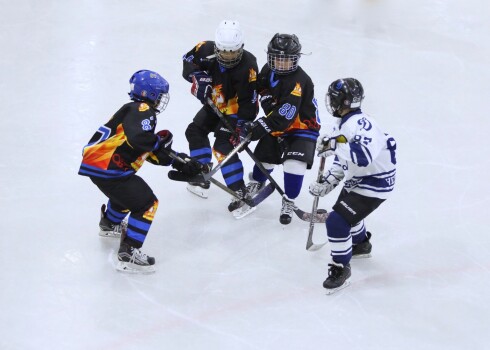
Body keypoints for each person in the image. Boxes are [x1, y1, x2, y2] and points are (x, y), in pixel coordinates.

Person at [78, 70, 203, 274]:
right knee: (146, 204)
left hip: (100, 167)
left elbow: (143, 148)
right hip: (110, 168)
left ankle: (109, 224)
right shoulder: (143, 110)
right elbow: (140, 140)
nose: (162, 99)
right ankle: (129, 254)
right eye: (160, 94)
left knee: (125, 196)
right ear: (151, 94)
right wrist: (158, 142)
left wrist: (178, 160)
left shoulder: (132, 110)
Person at [309, 78, 397, 293]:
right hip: (360, 179)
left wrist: (334, 146)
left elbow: (363, 156)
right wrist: (331, 179)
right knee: (348, 215)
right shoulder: (342, 124)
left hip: (375, 182)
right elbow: (345, 159)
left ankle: (341, 268)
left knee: (337, 221)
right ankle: (360, 245)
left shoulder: (361, 124)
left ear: (340, 101)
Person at [240, 33, 320, 223]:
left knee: (294, 164)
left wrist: (259, 126)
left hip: (302, 128)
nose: (281, 63)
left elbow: (284, 116)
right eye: (277, 59)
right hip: (279, 122)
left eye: (286, 60)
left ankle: (290, 199)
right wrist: (266, 97)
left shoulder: (298, 82)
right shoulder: (269, 69)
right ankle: (257, 183)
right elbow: (261, 85)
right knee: (264, 157)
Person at [182, 20, 259, 213]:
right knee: (194, 131)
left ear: (241, 47)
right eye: (224, 51)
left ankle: (239, 191)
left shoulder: (249, 65)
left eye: (233, 52)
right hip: (215, 104)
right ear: (216, 47)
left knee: (223, 147)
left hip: (236, 110)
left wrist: (242, 126)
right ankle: (201, 171)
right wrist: (197, 77)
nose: (228, 56)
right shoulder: (204, 48)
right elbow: (187, 61)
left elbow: (249, 101)